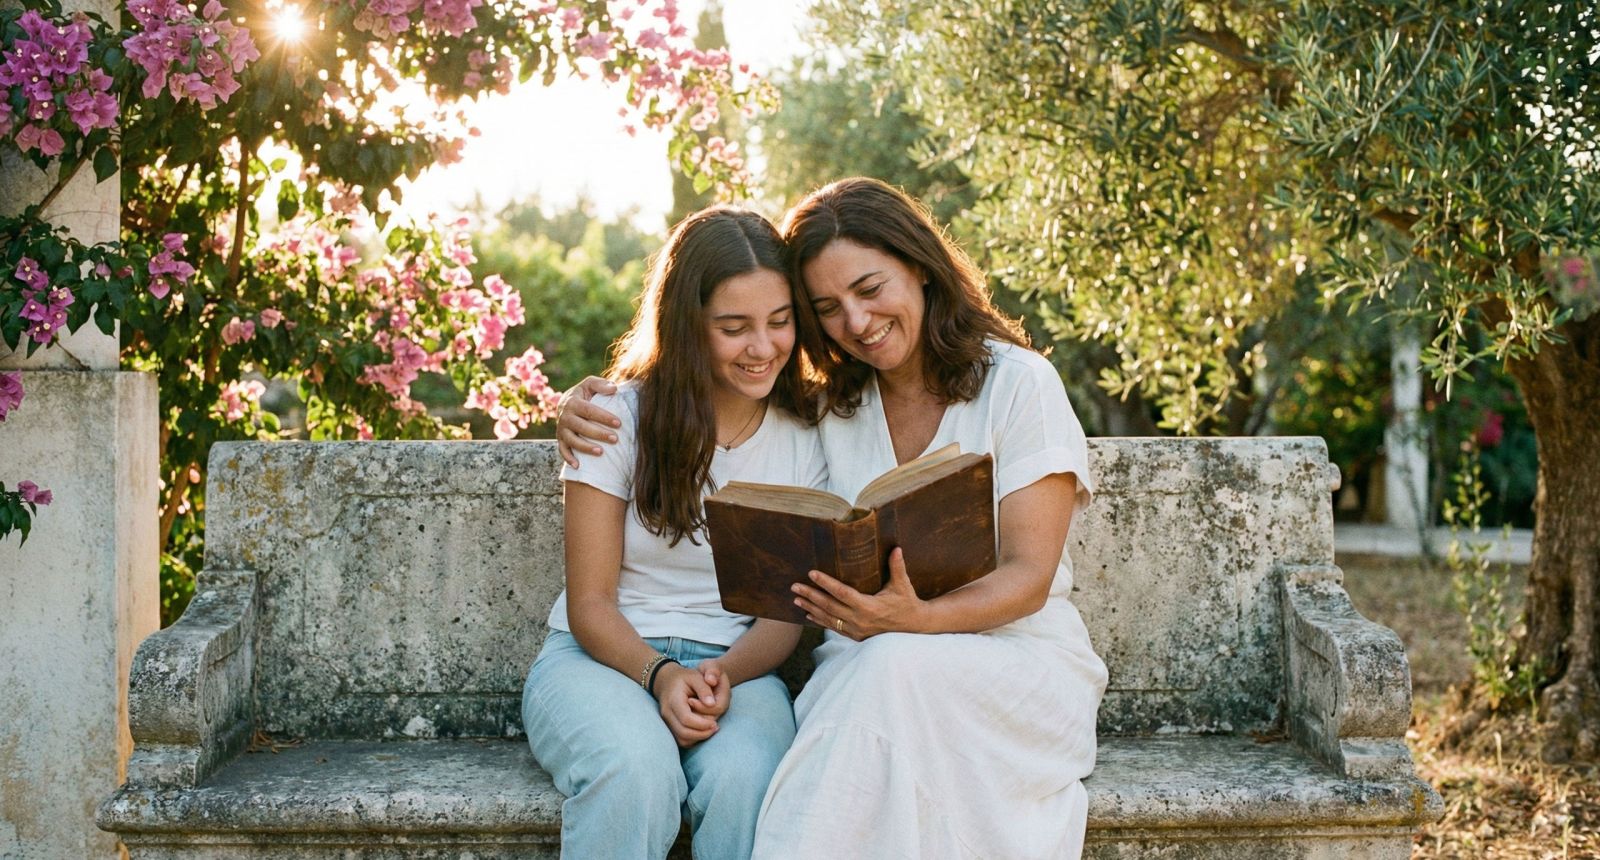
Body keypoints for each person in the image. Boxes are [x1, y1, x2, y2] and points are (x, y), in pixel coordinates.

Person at [558, 178, 1107, 859]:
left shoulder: (1019, 383)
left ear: (922, 269)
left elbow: (1027, 577)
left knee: (888, 670)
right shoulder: (830, 406)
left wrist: (912, 621)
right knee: (879, 673)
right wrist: (578, 401)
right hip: (870, 662)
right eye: (827, 308)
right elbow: (699, 390)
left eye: (870, 289)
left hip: (1010, 664)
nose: (856, 322)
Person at [522, 207, 826, 860]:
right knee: (634, 772)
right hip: (600, 660)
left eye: (779, 321)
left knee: (752, 780)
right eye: (733, 327)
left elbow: (781, 616)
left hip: (739, 672)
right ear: (689, 327)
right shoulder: (613, 418)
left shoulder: (805, 438)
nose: (763, 347)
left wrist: (717, 673)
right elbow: (591, 604)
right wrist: (660, 675)